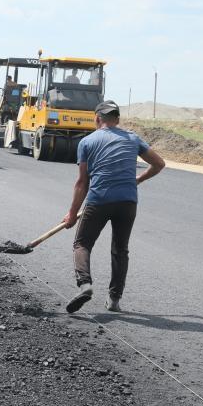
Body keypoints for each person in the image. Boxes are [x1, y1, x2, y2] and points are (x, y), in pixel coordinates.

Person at [62, 100, 165, 313]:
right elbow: (159, 164)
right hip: (128, 202)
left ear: (97, 119)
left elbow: (82, 182)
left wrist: (72, 214)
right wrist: (138, 179)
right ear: (117, 119)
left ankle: (85, 284)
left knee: (82, 244)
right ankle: (114, 299)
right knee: (120, 249)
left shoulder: (87, 142)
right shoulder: (133, 139)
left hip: (99, 200)